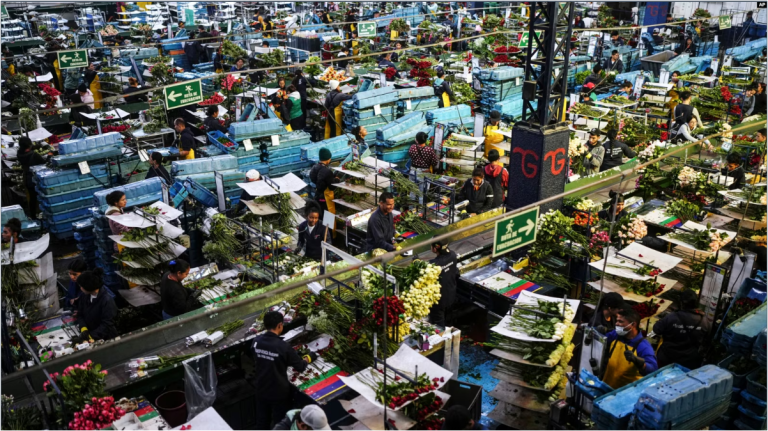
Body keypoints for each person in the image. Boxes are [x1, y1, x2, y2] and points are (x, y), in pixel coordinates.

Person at [253, 311, 317, 431]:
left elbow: (260, 359)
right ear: (279, 325)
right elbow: (300, 366)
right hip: (278, 392)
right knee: (279, 422)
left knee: (262, 422)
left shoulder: (256, 341)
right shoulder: (283, 347)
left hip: (261, 388)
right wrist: (309, 358)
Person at [602, 307, 658, 389]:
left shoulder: (643, 347)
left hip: (627, 393)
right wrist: (598, 331)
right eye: (617, 320)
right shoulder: (616, 335)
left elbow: (653, 370)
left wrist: (640, 363)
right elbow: (602, 339)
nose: (616, 324)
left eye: (620, 321)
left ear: (633, 324)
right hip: (608, 385)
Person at [652, 289, 708, 370]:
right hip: (689, 361)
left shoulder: (671, 317)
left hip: (668, 358)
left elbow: (656, 329)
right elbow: (706, 339)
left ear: (681, 303)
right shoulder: (703, 320)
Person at [429, 241, 458, 327]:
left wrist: (416, 261)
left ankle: (442, 337)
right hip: (451, 294)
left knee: (439, 324)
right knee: (448, 318)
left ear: (435, 248)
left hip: (439, 300)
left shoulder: (434, 264)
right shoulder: (453, 255)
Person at [17, 137, 46, 218]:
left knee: (32, 198)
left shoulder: (19, 154)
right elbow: (44, 163)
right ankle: (42, 214)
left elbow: (27, 150)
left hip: (26, 178)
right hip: (35, 179)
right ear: (29, 145)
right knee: (41, 197)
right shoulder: (34, 155)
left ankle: (33, 216)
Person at [309, 148, 341, 215]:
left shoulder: (314, 167)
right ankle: (328, 226)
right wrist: (337, 179)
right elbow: (332, 186)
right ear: (328, 159)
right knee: (328, 218)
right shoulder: (327, 171)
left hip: (317, 196)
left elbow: (315, 179)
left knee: (319, 215)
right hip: (325, 199)